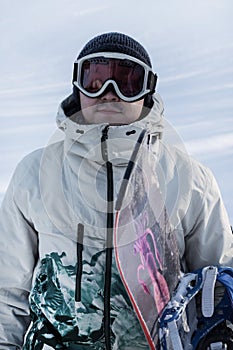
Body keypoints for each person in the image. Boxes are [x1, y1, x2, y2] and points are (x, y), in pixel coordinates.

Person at [0, 32, 232, 350]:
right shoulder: (35, 173)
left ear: (147, 91)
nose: (110, 94)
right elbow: (8, 289)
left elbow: (218, 280)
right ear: (76, 88)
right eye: (94, 80)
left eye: (127, 80)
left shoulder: (190, 178)